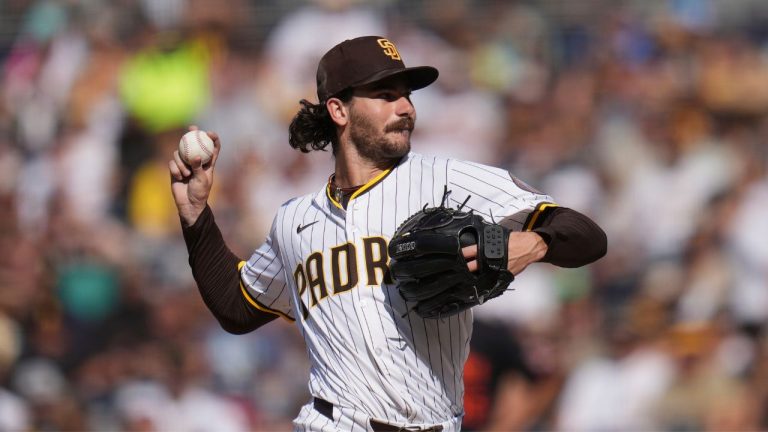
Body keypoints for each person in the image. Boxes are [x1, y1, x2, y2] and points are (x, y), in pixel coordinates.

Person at [168, 35, 607, 431]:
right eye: (385, 95)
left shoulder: (446, 180)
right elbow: (236, 307)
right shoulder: (294, 221)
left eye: (406, 95)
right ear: (338, 109)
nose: (406, 107)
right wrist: (195, 214)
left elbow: (586, 235)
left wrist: (527, 243)